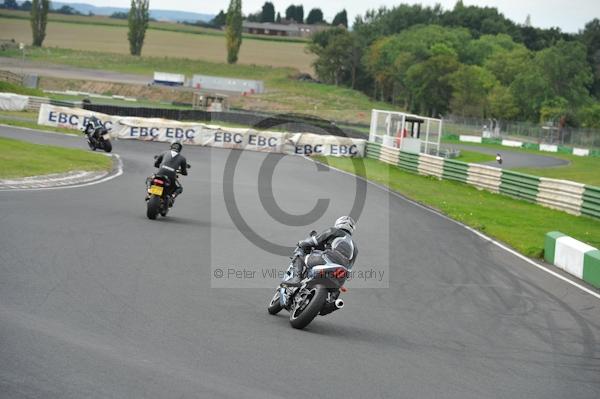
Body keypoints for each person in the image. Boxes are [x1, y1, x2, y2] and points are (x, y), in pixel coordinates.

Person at [283, 216, 358, 287]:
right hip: (342, 269)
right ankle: (332, 297)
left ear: (339, 223)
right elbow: (349, 268)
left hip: (327, 259)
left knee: (300, 257)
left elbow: (314, 241)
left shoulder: (334, 231)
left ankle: (296, 278)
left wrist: (302, 243)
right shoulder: (355, 247)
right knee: (339, 284)